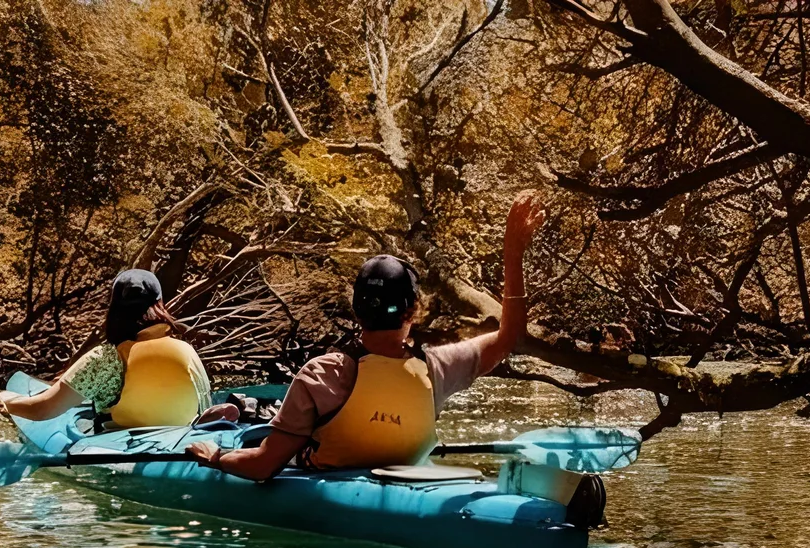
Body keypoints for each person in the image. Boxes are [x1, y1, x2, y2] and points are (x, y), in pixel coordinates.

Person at [186, 192, 545, 480]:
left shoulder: (322, 373)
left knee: (259, 422)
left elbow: (263, 466)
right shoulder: (438, 368)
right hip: (404, 481)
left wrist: (216, 456)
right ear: (413, 310)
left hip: (315, 475)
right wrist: (513, 254)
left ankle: (237, 413)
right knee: (262, 417)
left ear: (356, 310)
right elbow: (507, 336)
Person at [0, 268, 215, 428]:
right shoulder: (184, 348)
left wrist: (9, 402)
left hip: (120, 444)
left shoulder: (106, 357)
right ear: (160, 303)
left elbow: (43, 409)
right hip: (181, 439)